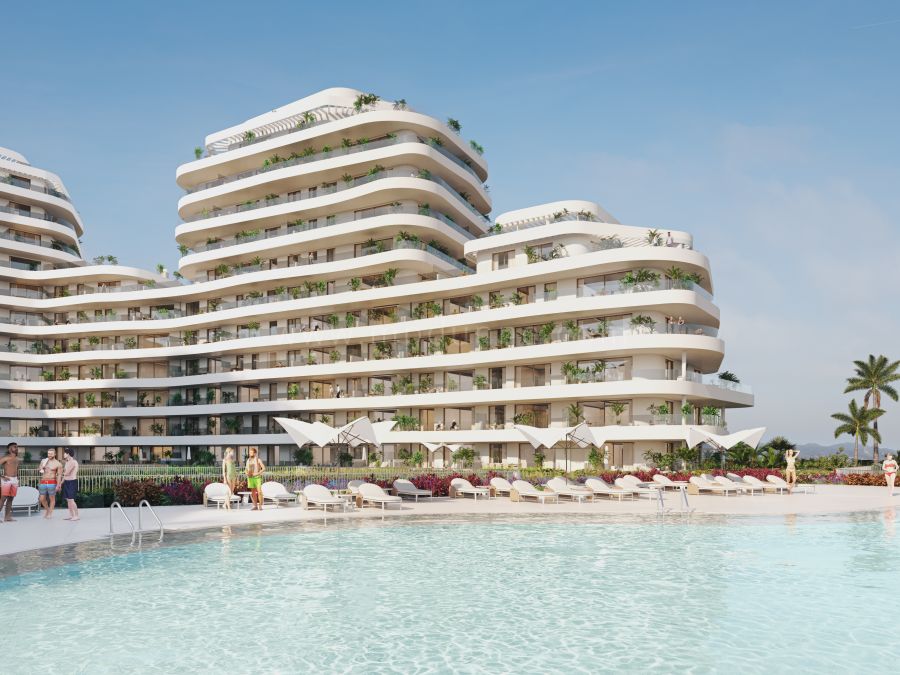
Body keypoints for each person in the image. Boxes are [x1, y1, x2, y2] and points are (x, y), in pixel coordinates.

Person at [38, 448, 63, 519]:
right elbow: (39, 469)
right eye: (48, 453)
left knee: (52, 498)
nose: (49, 455)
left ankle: (50, 513)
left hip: (52, 482)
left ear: (55, 454)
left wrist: (58, 485)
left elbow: (59, 475)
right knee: (41, 499)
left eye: (51, 454)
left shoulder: (58, 464)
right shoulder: (44, 461)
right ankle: (48, 510)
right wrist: (41, 467)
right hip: (43, 481)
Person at [0, 442, 20, 522]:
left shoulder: (17, 459)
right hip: (7, 479)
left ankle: (7, 517)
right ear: (9, 449)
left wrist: (18, 477)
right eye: (14, 447)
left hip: (14, 480)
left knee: (11, 499)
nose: (16, 448)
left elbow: (16, 469)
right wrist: (1, 476)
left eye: (17, 447)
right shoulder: (5, 458)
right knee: (3, 498)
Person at [60, 448, 79, 521]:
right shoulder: (67, 462)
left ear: (68, 454)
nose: (64, 454)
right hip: (67, 482)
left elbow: (66, 473)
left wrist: (58, 473)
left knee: (71, 500)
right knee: (68, 500)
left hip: (72, 482)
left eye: (64, 453)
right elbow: (65, 475)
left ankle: (76, 516)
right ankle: (71, 515)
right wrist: (61, 483)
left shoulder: (73, 462)